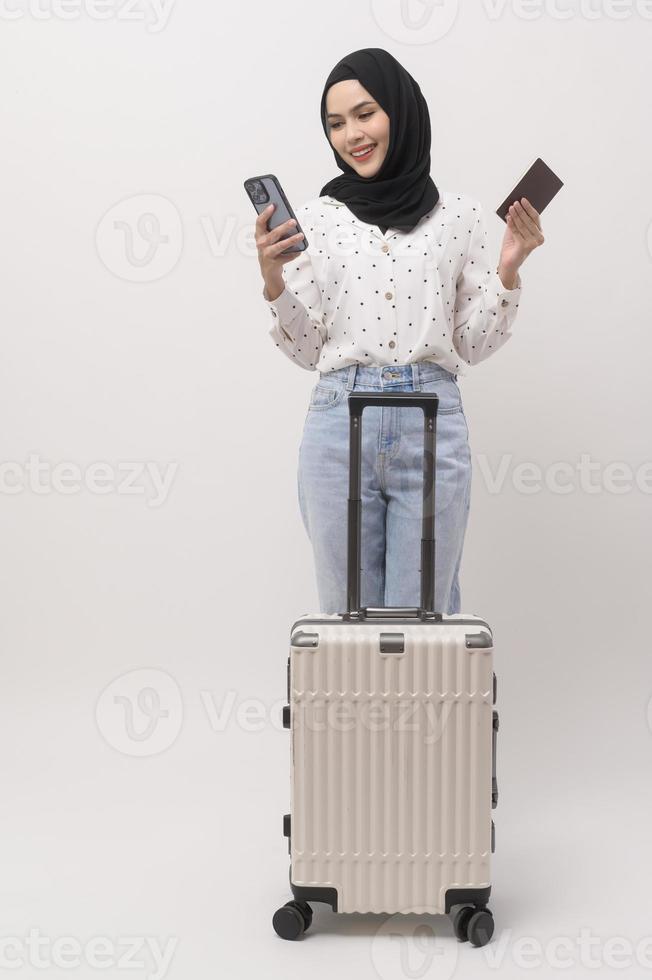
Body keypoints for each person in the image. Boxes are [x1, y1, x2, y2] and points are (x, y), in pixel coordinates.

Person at [255, 47, 544, 616]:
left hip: (431, 421)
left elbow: (469, 345)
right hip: (339, 423)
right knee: (345, 620)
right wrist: (273, 282)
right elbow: (310, 348)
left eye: (365, 114)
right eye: (335, 124)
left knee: (423, 620)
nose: (351, 135)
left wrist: (508, 270)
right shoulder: (315, 220)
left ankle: (424, 710)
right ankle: (349, 712)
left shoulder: (459, 217)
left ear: (401, 111)